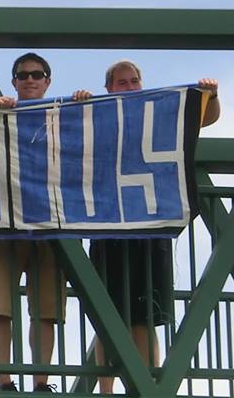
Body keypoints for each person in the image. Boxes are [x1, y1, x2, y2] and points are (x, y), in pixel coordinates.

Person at [88, 60, 220, 394]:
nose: (130, 87)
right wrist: (79, 103)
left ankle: (146, 386)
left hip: (150, 227)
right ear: (109, 88)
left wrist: (212, 95)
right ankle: (106, 391)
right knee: (108, 318)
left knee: (145, 316)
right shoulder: (97, 115)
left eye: (134, 81)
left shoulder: (156, 114)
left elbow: (203, 118)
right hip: (109, 227)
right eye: (122, 82)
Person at [0, 52, 90, 392]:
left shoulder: (63, 115)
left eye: (37, 74)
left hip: (50, 225)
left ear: (47, 81)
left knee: (47, 310)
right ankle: (4, 380)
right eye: (23, 75)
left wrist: (86, 108)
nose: (30, 79)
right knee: (0, 306)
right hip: (5, 224)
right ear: (14, 82)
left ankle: (41, 381)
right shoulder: (0, 115)